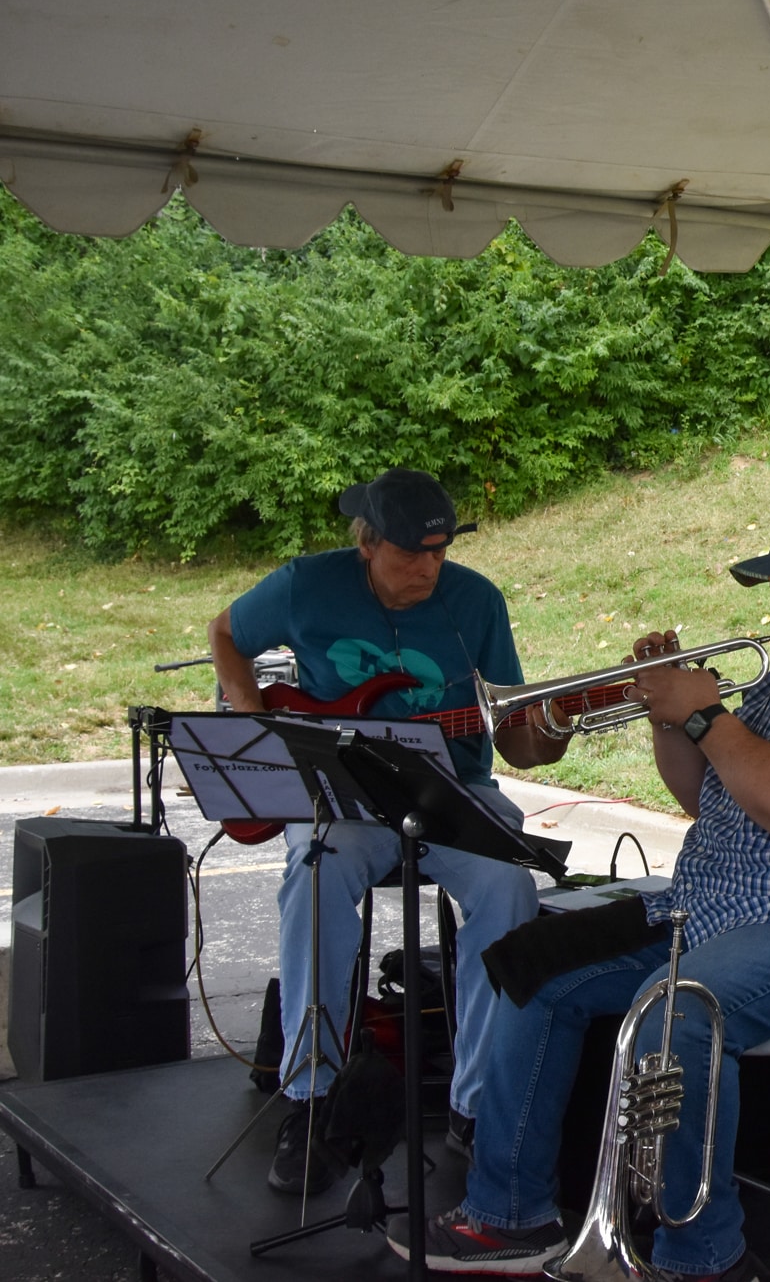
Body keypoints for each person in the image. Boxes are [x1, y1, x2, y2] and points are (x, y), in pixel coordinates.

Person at [399, 509, 770, 1281]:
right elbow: (709, 795)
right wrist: (672, 719)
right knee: (534, 966)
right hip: (717, 903)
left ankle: (701, 1258)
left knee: (680, 1011)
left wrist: (705, 711)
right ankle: (508, 1215)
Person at [207, 469, 569, 1195]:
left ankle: (475, 1106)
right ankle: (311, 1098)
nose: (428, 568)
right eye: (410, 553)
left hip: (457, 792)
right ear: (367, 544)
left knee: (509, 886)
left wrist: (552, 732)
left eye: (438, 552)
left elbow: (515, 742)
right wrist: (247, 707)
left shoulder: (477, 601)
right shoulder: (308, 585)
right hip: (344, 798)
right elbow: (226, 631)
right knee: (315, 870)